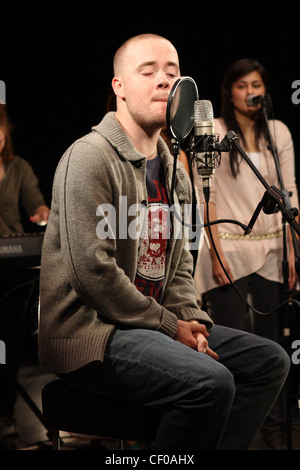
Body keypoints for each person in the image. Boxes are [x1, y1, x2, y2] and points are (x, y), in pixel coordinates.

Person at [38, 35, 290, 450]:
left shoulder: (176, 171)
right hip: (93, 335)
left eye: (171, 73)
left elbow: (181, 270)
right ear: (119, 86)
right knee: (212, 382)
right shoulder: (89, 157)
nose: (163, 82)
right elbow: (93, 273)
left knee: (270, 361)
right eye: (148, 71)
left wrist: (196, 325)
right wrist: (173, 328)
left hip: (152, 328)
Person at [194, 58, 299, 449]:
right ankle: (231, 432)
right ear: (229, 91)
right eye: (242, 85)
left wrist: (292, 250)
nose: (250, 91)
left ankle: (273, 432)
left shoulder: (278, 132)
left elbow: (290, 192)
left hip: (273, 249)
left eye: (256, 84)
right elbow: (208, 194)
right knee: (232, 346)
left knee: (273, 348)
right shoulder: (217, 131)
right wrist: (215, 251)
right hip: (229, 250)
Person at [0, 104, 50, 440]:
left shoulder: (17, 168)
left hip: (10, 270)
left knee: (9, 338)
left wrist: (43, 214)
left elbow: (36, 205)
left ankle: (5, 415)